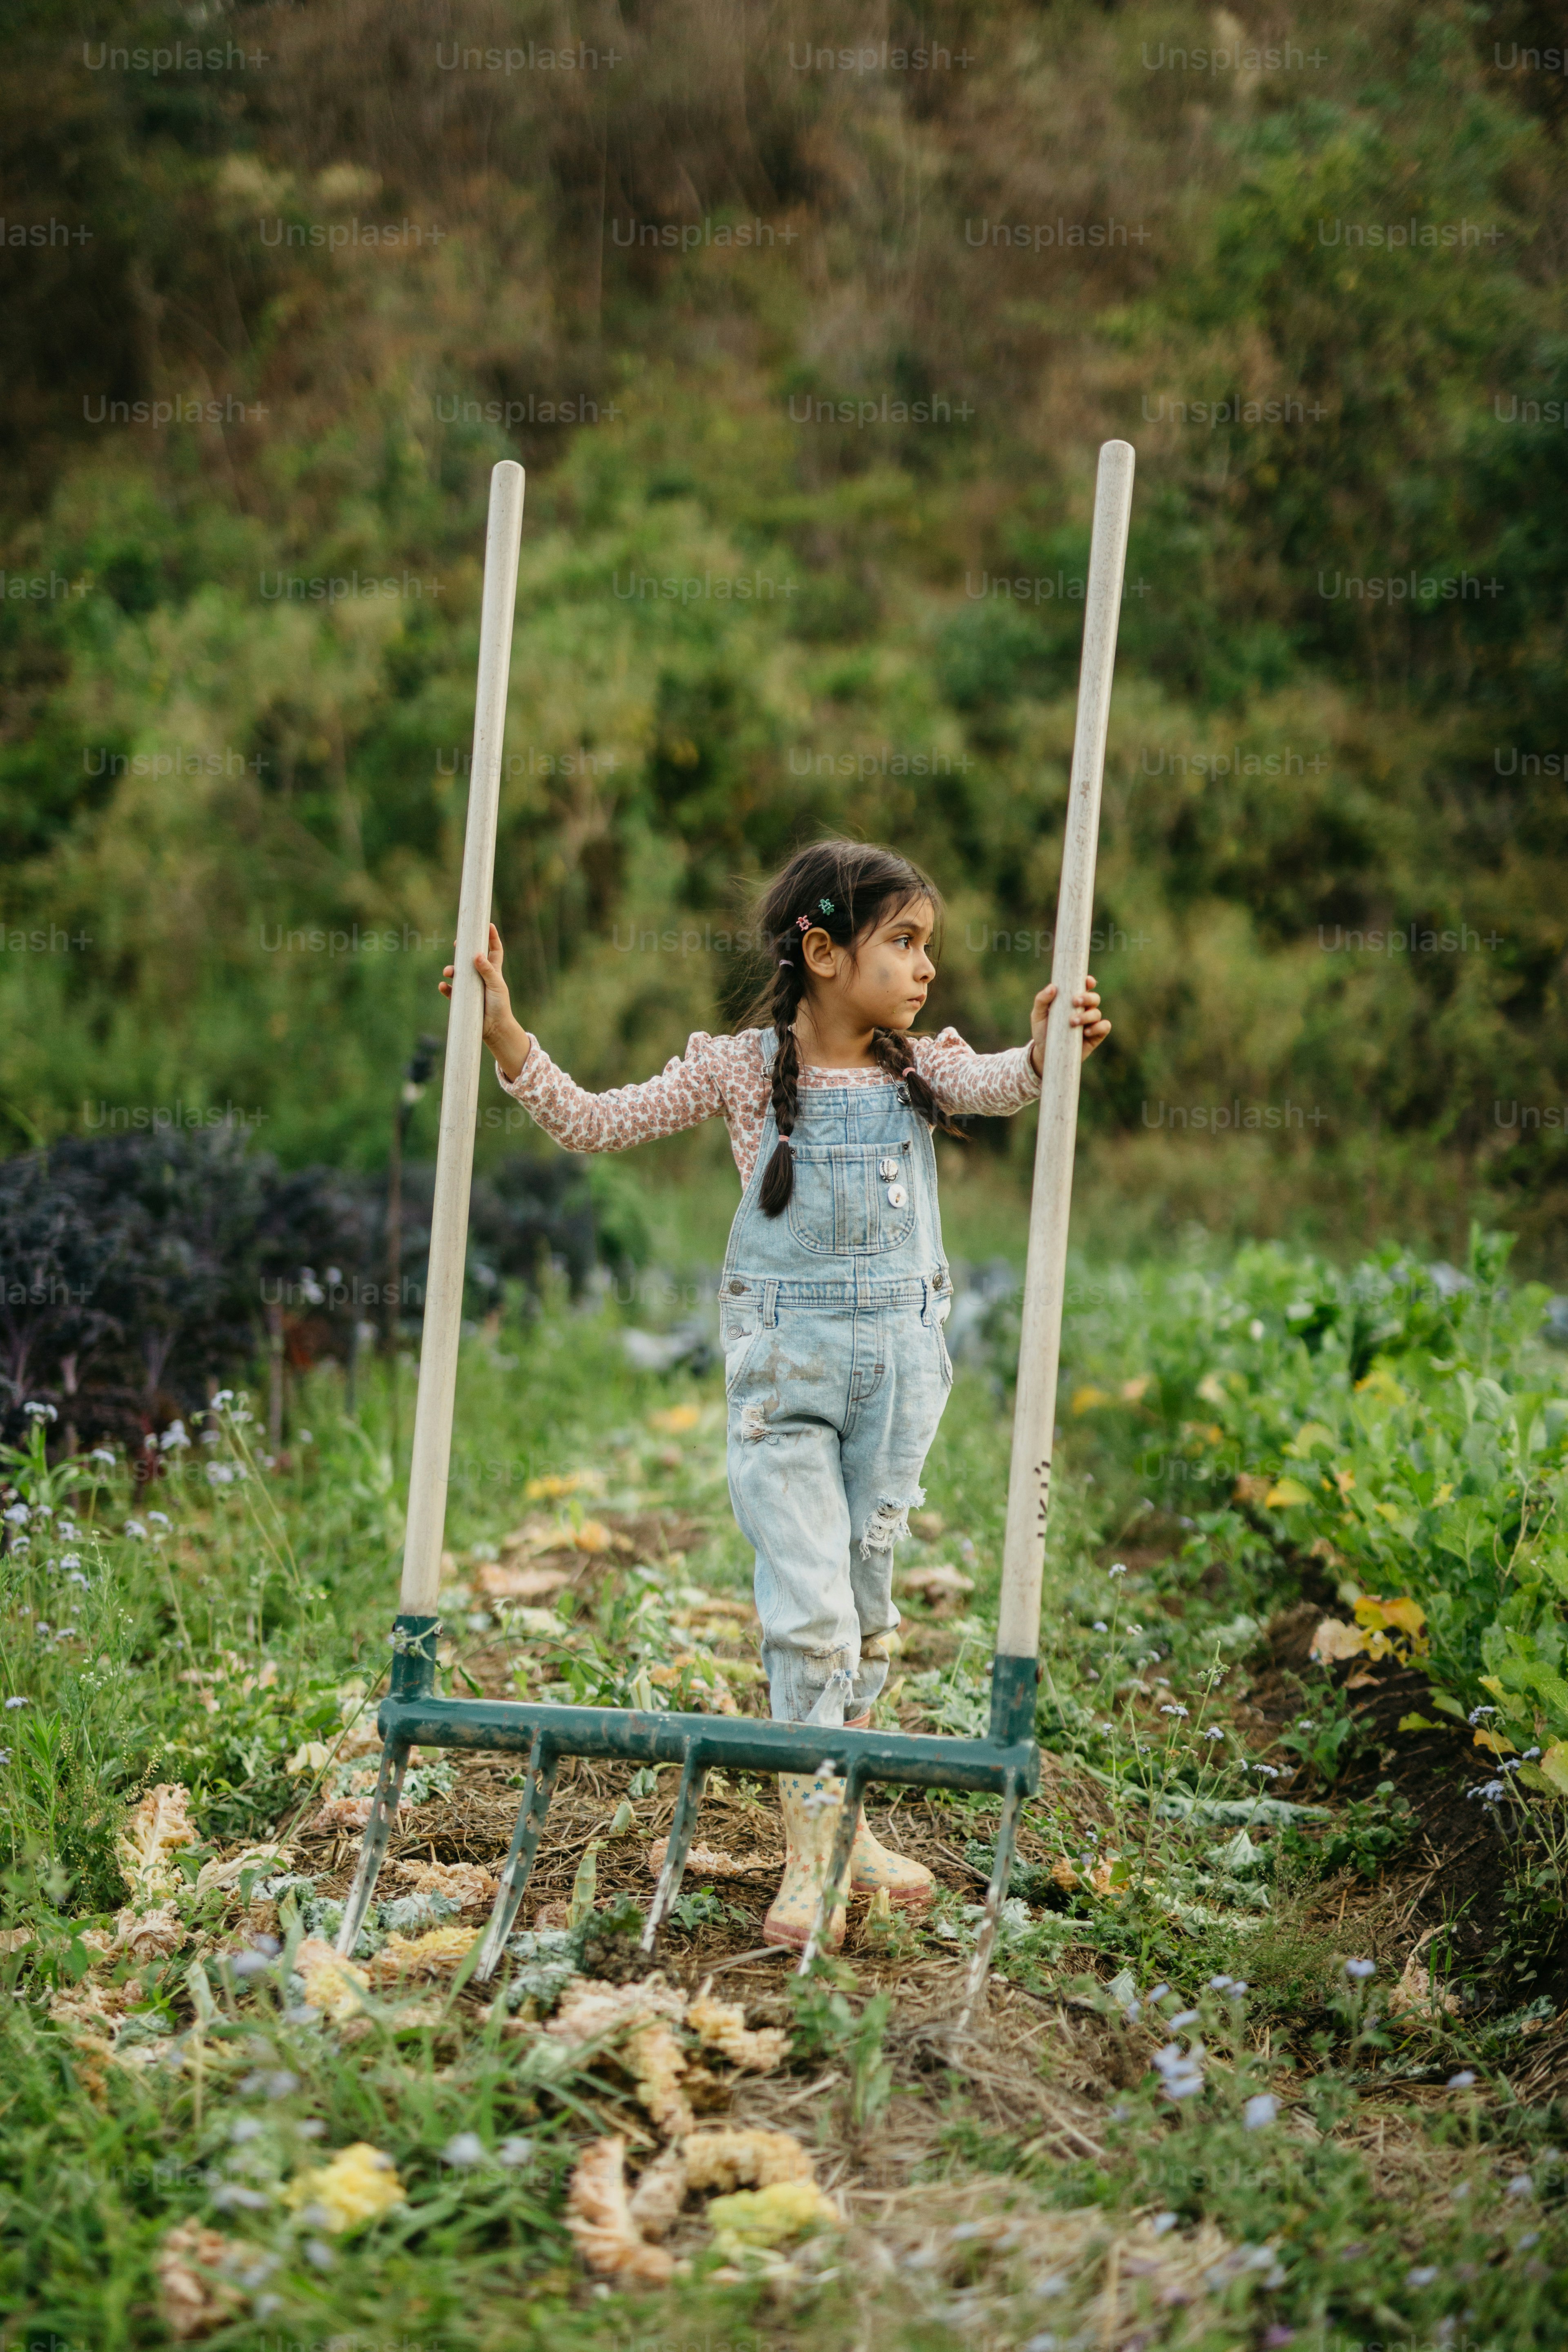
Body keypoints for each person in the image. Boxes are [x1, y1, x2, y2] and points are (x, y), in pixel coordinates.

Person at [440, 839, 1110, 1948]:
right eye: (901, 942)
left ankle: (842, 1811)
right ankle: (809, 1860)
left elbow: (1001, 1085)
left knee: (868, 1609)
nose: (924, 967)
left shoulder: (918, 1065)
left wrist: (1047, 1048)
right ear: (823, 951)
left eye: (925, 946)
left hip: (897, 1382)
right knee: (808, 1607)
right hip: (785, 1385)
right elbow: (597, 1120)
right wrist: (508, 1033)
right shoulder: (742, 1070)